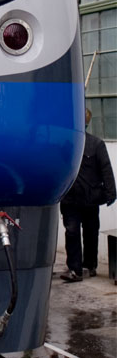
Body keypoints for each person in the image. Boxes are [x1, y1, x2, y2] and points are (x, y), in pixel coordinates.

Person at [60, 109, 116, 282]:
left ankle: (90, 265)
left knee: (90, 232)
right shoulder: (66, 144)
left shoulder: (96, 144)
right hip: (70, 198)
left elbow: (106, 169)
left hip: (90, 199)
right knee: (72, 232)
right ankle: (75, 269)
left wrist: (111, 193)